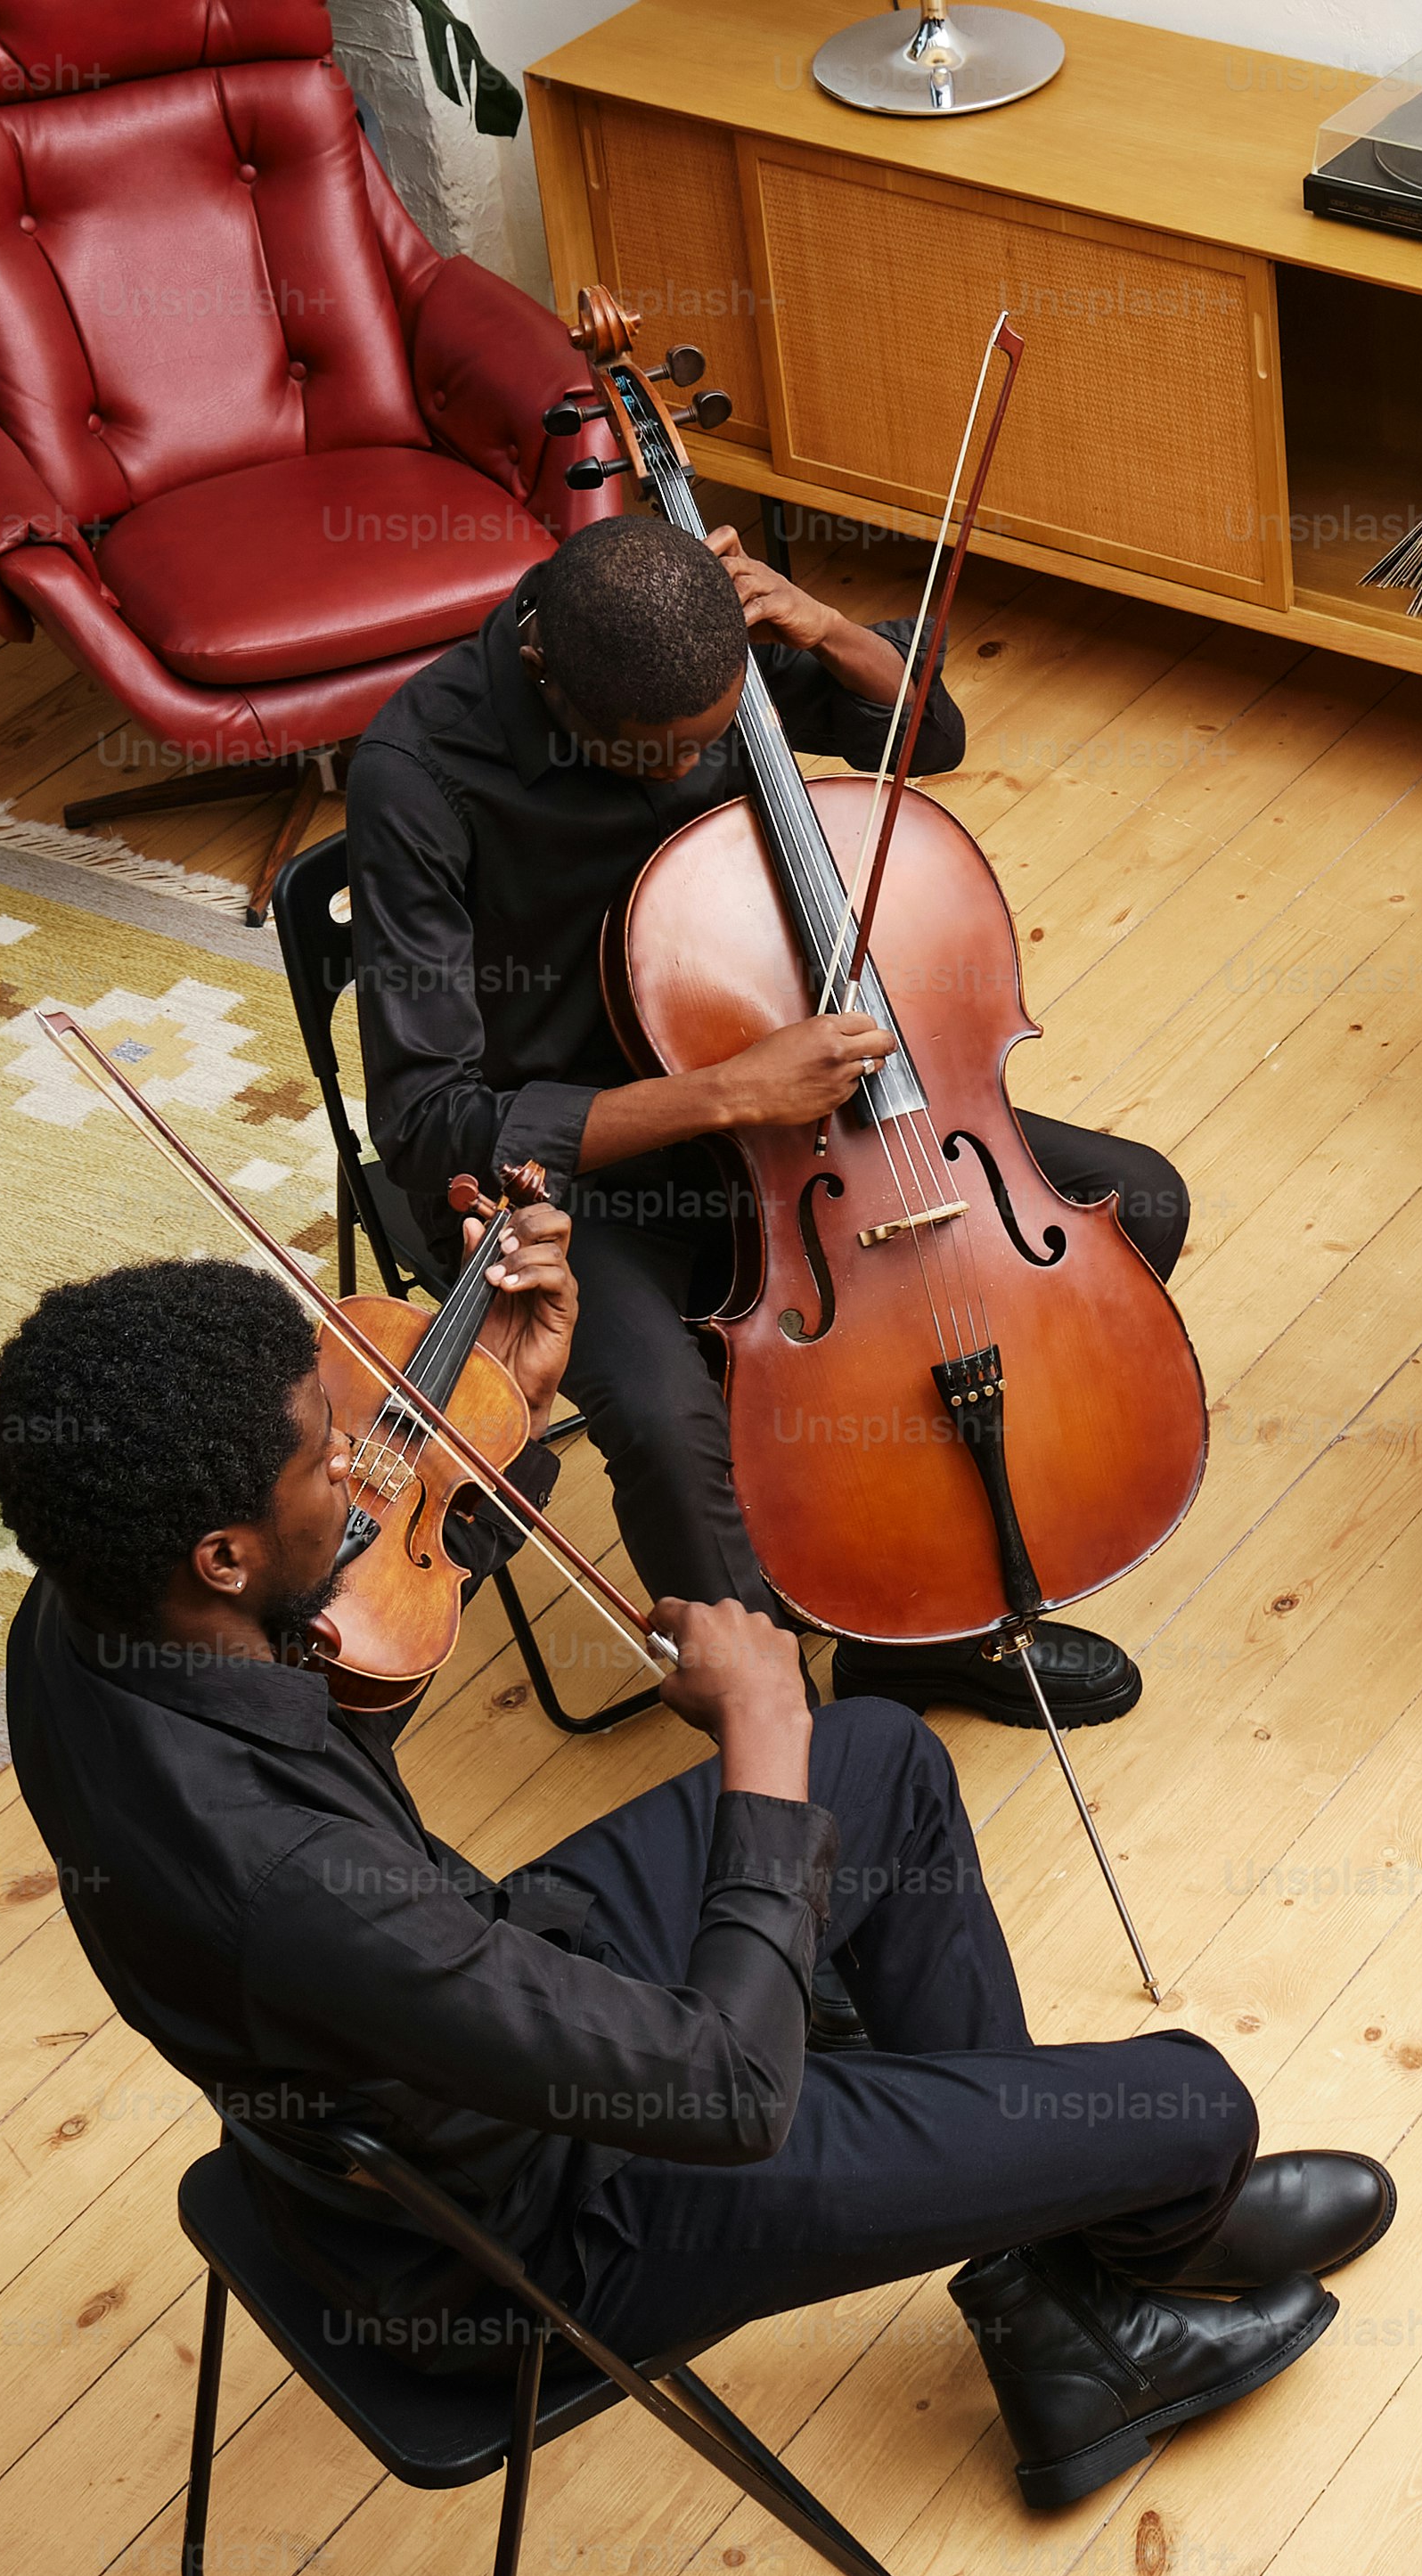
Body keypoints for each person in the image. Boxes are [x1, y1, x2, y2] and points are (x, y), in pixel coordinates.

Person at [0, 1220, 1391, 2512]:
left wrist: (505, 1413)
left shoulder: (89, 1612)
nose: (361, 1466)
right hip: (551, 2234)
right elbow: (725, 2095)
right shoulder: (286, 1883)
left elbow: (355, 1628)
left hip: (457, 2027)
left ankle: (1061, 2311)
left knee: (881, 1764)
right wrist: (761, 1734)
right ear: (225, 1553)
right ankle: (1107, 2281)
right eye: (324, 1460)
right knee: (1199, 2104)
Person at [347, 508, 1184, 1730]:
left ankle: (919, 1618)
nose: (702, 764)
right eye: (664, 756)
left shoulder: (694, 635)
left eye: (723, 730)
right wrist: (728, 1094)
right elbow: (429, 1128)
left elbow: (925, 734)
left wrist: (832, 631)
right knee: (666, 1421)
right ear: (553, 684)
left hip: (804, 1137)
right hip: (576, 1186)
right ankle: (779, 1733)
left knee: (1135, 1209)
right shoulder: (416, 777)